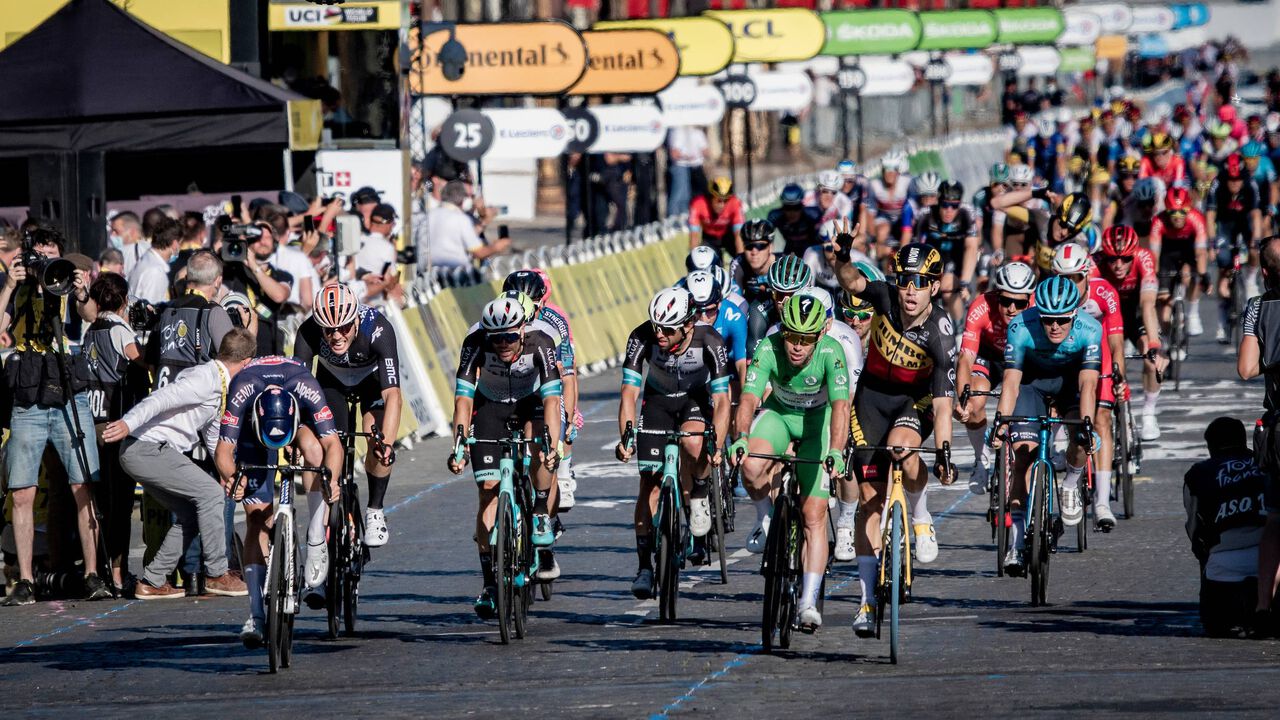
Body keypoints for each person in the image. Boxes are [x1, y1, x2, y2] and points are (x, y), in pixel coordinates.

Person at [834, 237, 958, 637]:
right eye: (905, 280)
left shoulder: (940, 332)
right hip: (871, 398)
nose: (910, 290)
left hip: (912, 400)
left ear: (934, 288)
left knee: (903, 450)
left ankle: (921, 516)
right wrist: (842, 257)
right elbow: (852, 282)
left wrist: (943, 452)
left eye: (920, 282)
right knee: (870, 502)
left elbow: (941, 403)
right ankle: (867, 601)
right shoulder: (885, 298)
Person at [103, 330, 257, 599]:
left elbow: (213, 439)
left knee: (190, 513)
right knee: (210, 495)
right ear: (246, 363)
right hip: (146, 448)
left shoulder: (218, 383)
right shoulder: (204, 379)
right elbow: (161, 398)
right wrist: (128, 422)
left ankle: (152, 580)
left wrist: (229, 474)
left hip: (149, 451)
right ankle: (217, 574)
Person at [0, 226, 109, 605]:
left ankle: (94, 573)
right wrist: (10, 287)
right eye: (39, 254)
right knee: (23, 491)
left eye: (51, 253)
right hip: (28, 394)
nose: (45, 261)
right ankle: (26, 579)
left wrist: (79, 290)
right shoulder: (16, 285)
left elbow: (94, 317)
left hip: (68, 393)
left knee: (84, 485)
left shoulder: (67, 283)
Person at [730, 293, 849, 631]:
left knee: (813, 516)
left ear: (819, 336)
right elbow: (749, 397)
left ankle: (808, 600)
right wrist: (740, 437)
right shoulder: (769, 348)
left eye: (805, 339)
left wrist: (836, 450)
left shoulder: (832, 353)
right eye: (791, 336)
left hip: (817, 424)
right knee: (751, 465)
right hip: (781, 417)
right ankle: (767, 519)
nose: (796, 346)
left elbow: (840, 408)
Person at [214, 358, 344, 647]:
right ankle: (256, 614)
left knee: (314, 453)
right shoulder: (241, 390)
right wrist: (234, 478)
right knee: (257, 520)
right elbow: (223, 450)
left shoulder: (306, 386)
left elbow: (333, 444)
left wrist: (331, 481)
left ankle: (315, 537)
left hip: (295, 415)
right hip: (253, 432)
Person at [448, 295, 563, 616]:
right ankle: (488, 583)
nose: (503, 344)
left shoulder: (542, 341)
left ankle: (539, 509)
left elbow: (554, 402)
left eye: (510, 337)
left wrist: (553, 445)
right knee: (487, 492)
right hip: (491, 406)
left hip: (533, 401)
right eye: (496, 338)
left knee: (541, 449)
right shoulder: (475, 343)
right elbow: (463, 401)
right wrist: (458, 445)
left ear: (522, 330)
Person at [615, 288, 730, 598]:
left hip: (694, 399)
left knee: (694, 445)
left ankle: (700, 494)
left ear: (688, 325)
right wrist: (625, 435)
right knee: (648, 482)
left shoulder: (710, 340)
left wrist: (717, 445)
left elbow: (721, 400)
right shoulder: (642, 337)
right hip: (658, 402)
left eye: (668, 329)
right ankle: (644, 567)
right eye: (656, 326)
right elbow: (629, 391)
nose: (660, 334)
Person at [293, 283, 401, 604]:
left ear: (355, 321)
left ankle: (375, 509)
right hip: (331, 384)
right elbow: (299, 388)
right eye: (328, 331)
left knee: (376, 437)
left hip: (370, 383)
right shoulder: (308, 332)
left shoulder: (378, 330)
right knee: (322, 451)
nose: (336, 336)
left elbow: (392, 394)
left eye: (342, 328)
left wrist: (388, 444)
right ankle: (319, 543)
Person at [993, 276, 1101, 575]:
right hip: (1032, 385)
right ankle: (1016, 543)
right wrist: (1001, 422)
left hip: (1071, 385)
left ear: (1074, 314)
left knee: (1082, 438)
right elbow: (1012, 382)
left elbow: (1089, 385)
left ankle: (1070, 483)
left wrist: (1087, 426)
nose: (1054, 327)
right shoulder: (1020, 327)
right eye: (1048, 320)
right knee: (1023, 454)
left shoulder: (1090, 329)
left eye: (1062, 320)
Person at [81, 272, 148, 589]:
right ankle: (118, 572)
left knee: (101, 500)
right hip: (117, 420)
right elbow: (142, 363)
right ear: (123, 300)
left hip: (93, 419)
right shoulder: (120, 331)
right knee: (120, 501)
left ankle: (100, 568)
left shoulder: (91, 330)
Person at [1053, 243, 1125, 530]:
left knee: (1102, 420)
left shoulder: (1104, 292)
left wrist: (1119, 374)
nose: (1069, 285)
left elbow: (1116, 340)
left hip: (1099, 357)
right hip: (1065, 361)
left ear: (1086, 274)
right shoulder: (1044, 295)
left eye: (1075, 278)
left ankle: (1102, 502)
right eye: (1062, 278)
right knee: (1074, 428)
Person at [1183, 417, 1268, 637]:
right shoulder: (1266, 463)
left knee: (1217, 626)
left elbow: (1194, 526)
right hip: (1270, 558)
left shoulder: (1198, 472)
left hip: (1222, 561)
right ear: (1245, 440)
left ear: (1210, 446)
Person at [956, 261, 1037, 494]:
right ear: (997, 295)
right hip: (989, 357)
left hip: (1023, 359)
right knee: (974, 402)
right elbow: (965, 359)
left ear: (1029, 300)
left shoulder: (1038, 310)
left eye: (1020, 303)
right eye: (1005, 301)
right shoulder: (981, 306)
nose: (1012, 308)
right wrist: (963, 399)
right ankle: (981, 460)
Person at [1238, 234, 1280, 635]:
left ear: (1264, 273)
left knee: (1275, 520)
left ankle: (1264, 605)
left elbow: (1247, 369)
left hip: (1279, 425)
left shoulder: (1258, 307)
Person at [1093, 225, 1166, 441]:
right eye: (1112, 259)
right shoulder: (1094, 262)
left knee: (1152, 360)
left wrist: (1153, 344)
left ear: (1133, 254)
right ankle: (1114, 403)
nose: (1118, 265)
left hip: (1135, 313)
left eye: (1125, 259)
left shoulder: (1144, 258)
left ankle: (1149, 413)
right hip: (1105, 315)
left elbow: (1147, 305)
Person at [220, 222, 292, 356]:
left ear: (274, 242)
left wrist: (254, 266)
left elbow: (279, 296)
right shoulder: (233, 274)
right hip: (238, 350)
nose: (262, 241)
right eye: (257, 237)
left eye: (267, 237)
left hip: (270, 351)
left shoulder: (281, 275)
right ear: (246, 242)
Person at [913, 180, 979, 322]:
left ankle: (960, 328)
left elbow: (971, 247)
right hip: (934, 263)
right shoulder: (925, 214)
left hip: (960, 263)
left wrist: (965, 282)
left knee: (949, 289)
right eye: (945, 205)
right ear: (938, 201)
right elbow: (914, 247)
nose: (949, 210)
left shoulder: (967, 213)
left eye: (954, 206)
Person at [1150, 186, 1209, 339]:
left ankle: (1192, 313)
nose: (1177, 216)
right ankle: (1168, 338)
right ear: (1166, 211)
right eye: (1172, 212)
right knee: (1163, 301)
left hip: (1188, 250)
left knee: (1192, 276)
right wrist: (1154, 277)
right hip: (1167, 253)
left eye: (1182, 211)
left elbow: (1201, 252)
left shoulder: (1197, 218)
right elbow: (1154, 254)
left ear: (1189, 209)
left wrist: (1203, 275)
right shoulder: (1158, 221)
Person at [423, 181, 511, 272]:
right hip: (457, 272)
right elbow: (479, 252)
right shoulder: (461, 219)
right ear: (464, 200)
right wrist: (497, 246)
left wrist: (484, 220)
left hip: (433, 272)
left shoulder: (429, 215)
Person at [688, 177, 745, 257]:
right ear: (711, 197)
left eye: (726, 201)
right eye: (719, 200)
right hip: (709, 238)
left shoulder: (735, 203)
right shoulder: (698, 204)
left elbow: (739, 235)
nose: (722, 205)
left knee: (744, 256)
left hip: (729, 236)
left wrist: (741, 260)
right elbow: (694, 237)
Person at [127, 217, 179, 304]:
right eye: (180, 242)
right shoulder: (155, 271)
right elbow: (151, 311)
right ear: (174, 243)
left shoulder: (147, 261)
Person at [767, 184, 822, 256]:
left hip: (811, 249)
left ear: (802, 206)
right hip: (790, 249)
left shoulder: (813, 214)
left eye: (796, 207)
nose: (792, 213)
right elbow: (767, 241)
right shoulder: (775, 217)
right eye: (788, 208)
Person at [667, 126, 709, 217]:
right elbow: (674, 153)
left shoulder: (697, 131)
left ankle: (685, 217)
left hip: (695, 166)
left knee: (688, 195)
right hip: (680, 165)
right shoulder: (676, 131)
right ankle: (673, 218)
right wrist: (688, 156)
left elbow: (706, 150)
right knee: (679, 194)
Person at [108, 211, 150, 275]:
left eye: (116, 231)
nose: (112, 235)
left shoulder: (132, 252)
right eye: (112, 231)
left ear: (132, 232)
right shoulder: (150, 249)